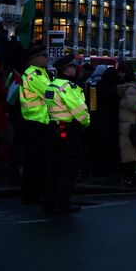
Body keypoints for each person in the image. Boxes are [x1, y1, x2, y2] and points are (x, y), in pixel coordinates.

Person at [44, 55, 90, 214]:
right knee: (68, 167)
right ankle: (63, 203)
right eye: (72, 66)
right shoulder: (68, 87)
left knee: (54, 166)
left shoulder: (52, 85)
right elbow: (79, 111)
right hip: (68, 130)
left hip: (54, 128)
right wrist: (86, 122)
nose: (75, 69)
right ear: (66, 70)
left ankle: (50, 201)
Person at [19, 43, 51, 205]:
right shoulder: (34, 75)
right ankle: (32, 195)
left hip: (38, 123)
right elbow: (52, 94)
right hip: (36, 124)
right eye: (45, 56)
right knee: (35, 162)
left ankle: (34, 193)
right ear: (37, 59)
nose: (47, 59)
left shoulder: (41, 73)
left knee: (37, 161)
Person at [116, 62, 136, 188]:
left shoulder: (128, 88)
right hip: (132, 125)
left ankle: (130, 177)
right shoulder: (132, 89)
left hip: (127, 125)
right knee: (131, 154)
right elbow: (132, 105)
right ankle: (130, 177)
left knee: (129, 154)